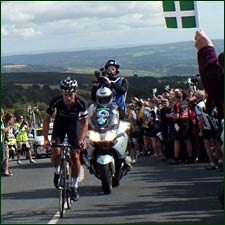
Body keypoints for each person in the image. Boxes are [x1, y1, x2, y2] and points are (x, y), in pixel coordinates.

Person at [43, 77, 88, 201]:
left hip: (74, 127)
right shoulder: (56, 101)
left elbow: (85, 122)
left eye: (71, 95)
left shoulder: (81, 103)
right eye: (65, 95)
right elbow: (46, 119)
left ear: (75, 93)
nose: (68, 98)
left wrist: (82, 139)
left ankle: (74, 187)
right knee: (55, 152)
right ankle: (57, 171)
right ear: (62, 93)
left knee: (75, 155)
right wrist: (46, 139)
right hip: (59, 126)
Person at [1, 109, 14, 176]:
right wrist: (9, 126)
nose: (13, 120)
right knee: (6, 157)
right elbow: (4, 131)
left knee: (7, 157)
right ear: (10, 118)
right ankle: (5, 171)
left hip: (8, 142)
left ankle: (6, 169)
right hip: (4, 142)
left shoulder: (7, 123)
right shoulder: (6, 123)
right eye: (12, 118)